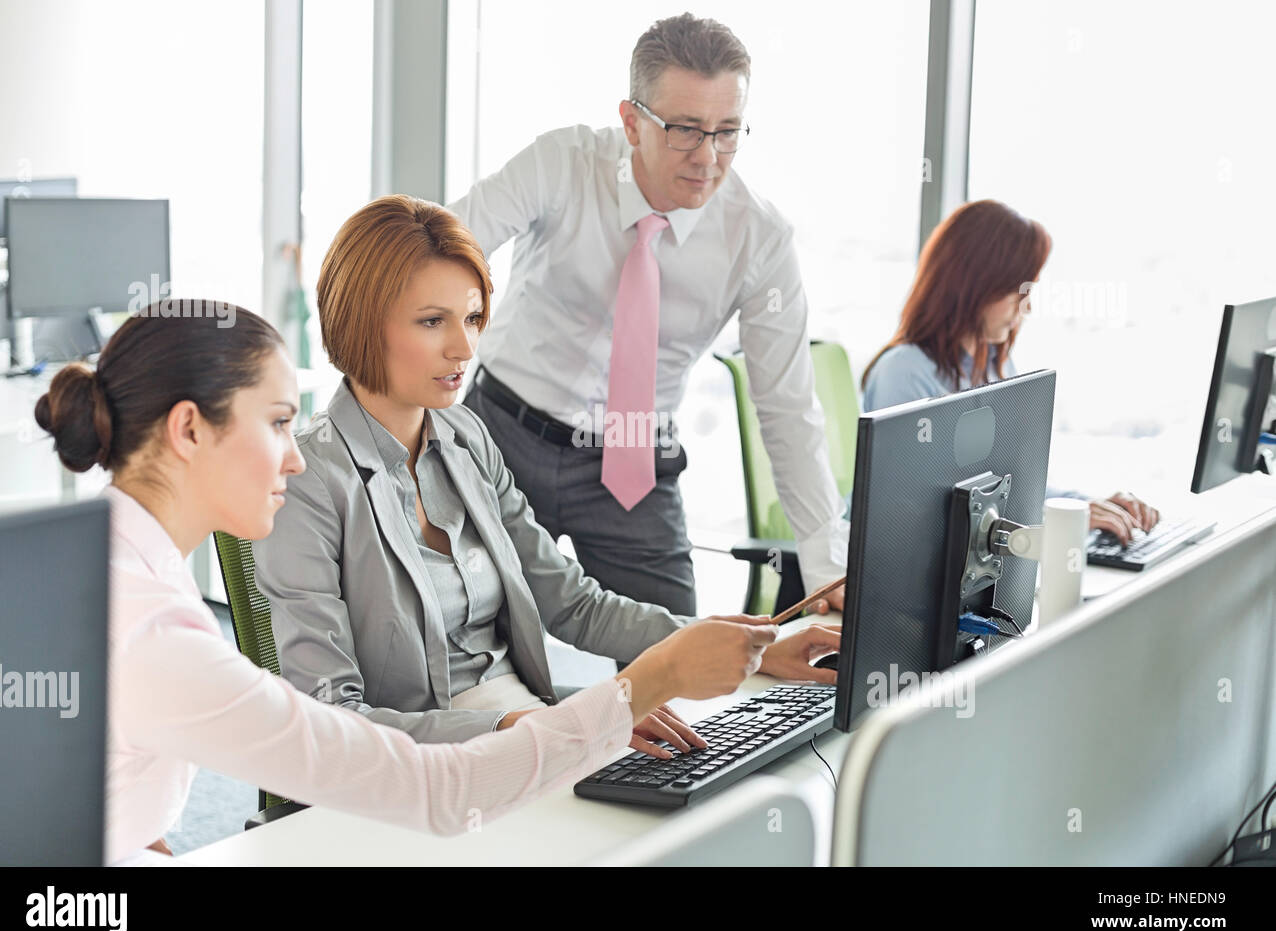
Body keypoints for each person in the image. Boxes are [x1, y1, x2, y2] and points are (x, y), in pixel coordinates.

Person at [34, 299, 786, 863]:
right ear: (189, 429)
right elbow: (440, 792)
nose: (295, 459)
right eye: (276, 424)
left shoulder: (102, 565)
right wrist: (641, 687)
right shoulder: (160, 634)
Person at [254, 196, 840, 759]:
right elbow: (330, 719)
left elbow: (573, 605)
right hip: (423, 768)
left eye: (474, 318)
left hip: (526, 730)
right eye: (433, 322)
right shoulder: (306, 480)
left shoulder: (467, 439)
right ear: (362, 321)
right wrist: (536, 727)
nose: (463, 347)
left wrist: (748, 650)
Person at [448, 13, 847, 617]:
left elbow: (788, 410)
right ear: (632, 123)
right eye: (686, 129)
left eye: (728, 131)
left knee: (678, 661)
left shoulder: (758, 239)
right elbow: (444, 249)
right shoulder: (563, 163)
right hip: (503, 436)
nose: (709, 157)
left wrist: (827, 571)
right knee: (461, 637)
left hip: (634, 461)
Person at [861, 199, 1159, 543]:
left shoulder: (992, 366)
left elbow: (1009, 487)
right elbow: (920, 515)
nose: (1028, 307)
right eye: (1022, 292)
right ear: (977, 284)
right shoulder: (905, 372)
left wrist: (1083, 507)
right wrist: (1059, 518)